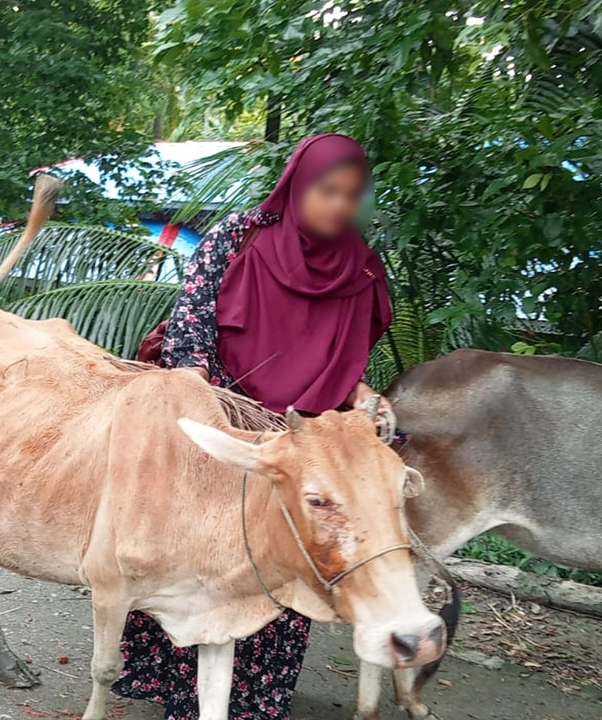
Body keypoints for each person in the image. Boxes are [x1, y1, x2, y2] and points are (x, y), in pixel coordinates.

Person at [112, 133, 394, 719]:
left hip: (300, 445)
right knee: (197, 562)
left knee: (283, 563)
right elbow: (190, 331)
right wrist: (219, 418)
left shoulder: (361, 266)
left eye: (351, 194)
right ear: (296, 184)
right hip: (221, 423)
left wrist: (357, 401)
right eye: (326, 190)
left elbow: (348, 360)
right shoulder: (238, 237)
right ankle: (177, 689)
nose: (338, 205)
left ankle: (255, 699)